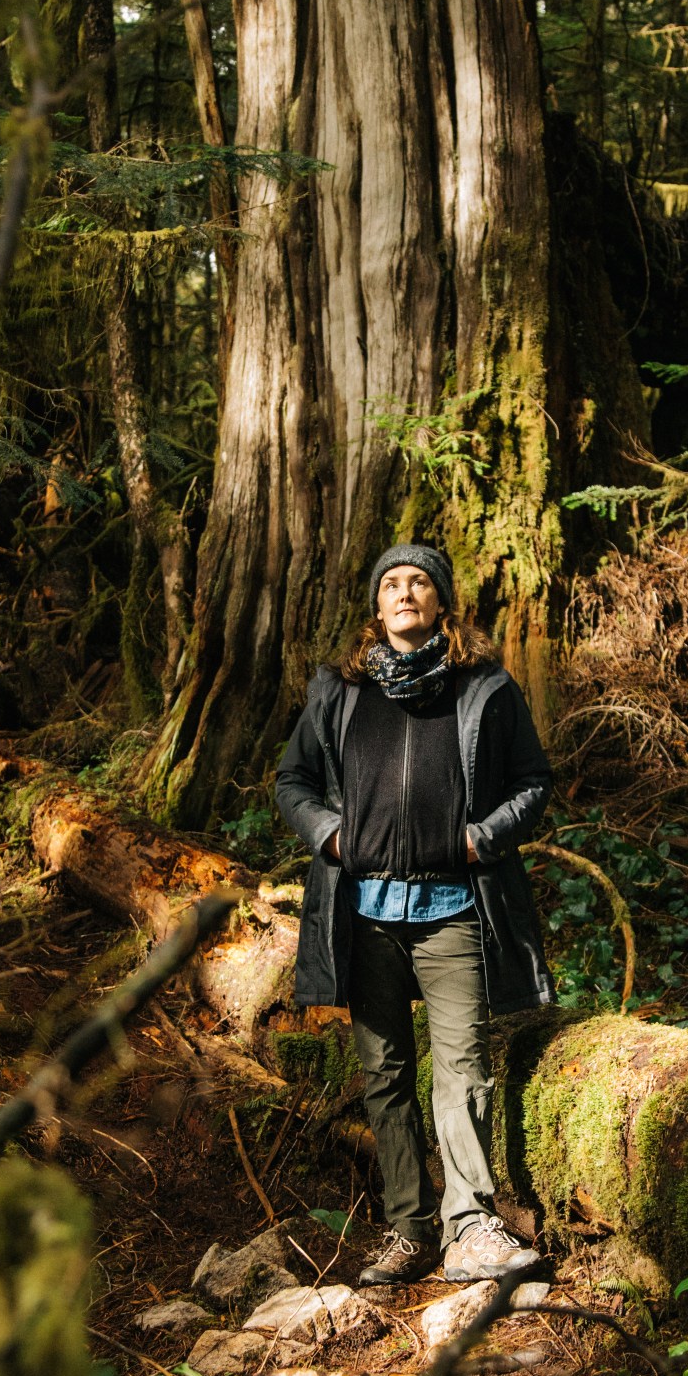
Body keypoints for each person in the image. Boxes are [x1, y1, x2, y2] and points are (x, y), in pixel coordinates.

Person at [276, 543, 556, 1287]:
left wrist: (479, 837)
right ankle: (408, 1229)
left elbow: (531, 782)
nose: (405, 593)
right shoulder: (338, 691)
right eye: (391, 583)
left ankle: (469, 1225)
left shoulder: (484, 689)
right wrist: (329, 834)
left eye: (419, 582)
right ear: (376, 607)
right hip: (364, 912)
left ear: (440, 603)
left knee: (461, 1067)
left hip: (452, 908)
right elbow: (292, 780)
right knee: (385, 1073)